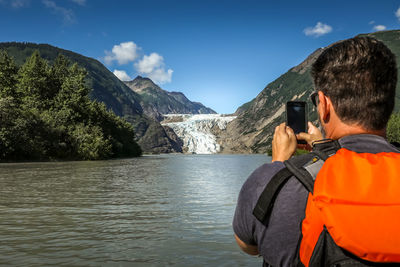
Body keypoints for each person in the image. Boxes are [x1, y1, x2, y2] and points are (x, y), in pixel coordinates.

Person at [233, 36, 400, 266]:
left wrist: (278, 165)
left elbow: (248, 245)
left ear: (324, 104)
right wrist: (324, 148)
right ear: (388, 103)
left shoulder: (270, 180)